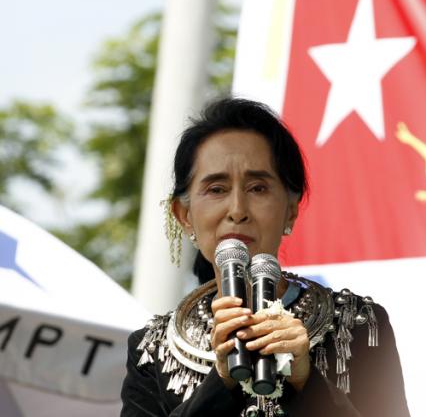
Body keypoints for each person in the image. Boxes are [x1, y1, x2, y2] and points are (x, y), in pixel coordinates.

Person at [120, 97, 410, 416]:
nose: (238, 211)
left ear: (290, 210)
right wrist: (220, 382)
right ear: (184, 214)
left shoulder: (357, 325)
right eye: (216, 189)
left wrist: (307, 380)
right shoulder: (153, 349)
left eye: (258, 188)